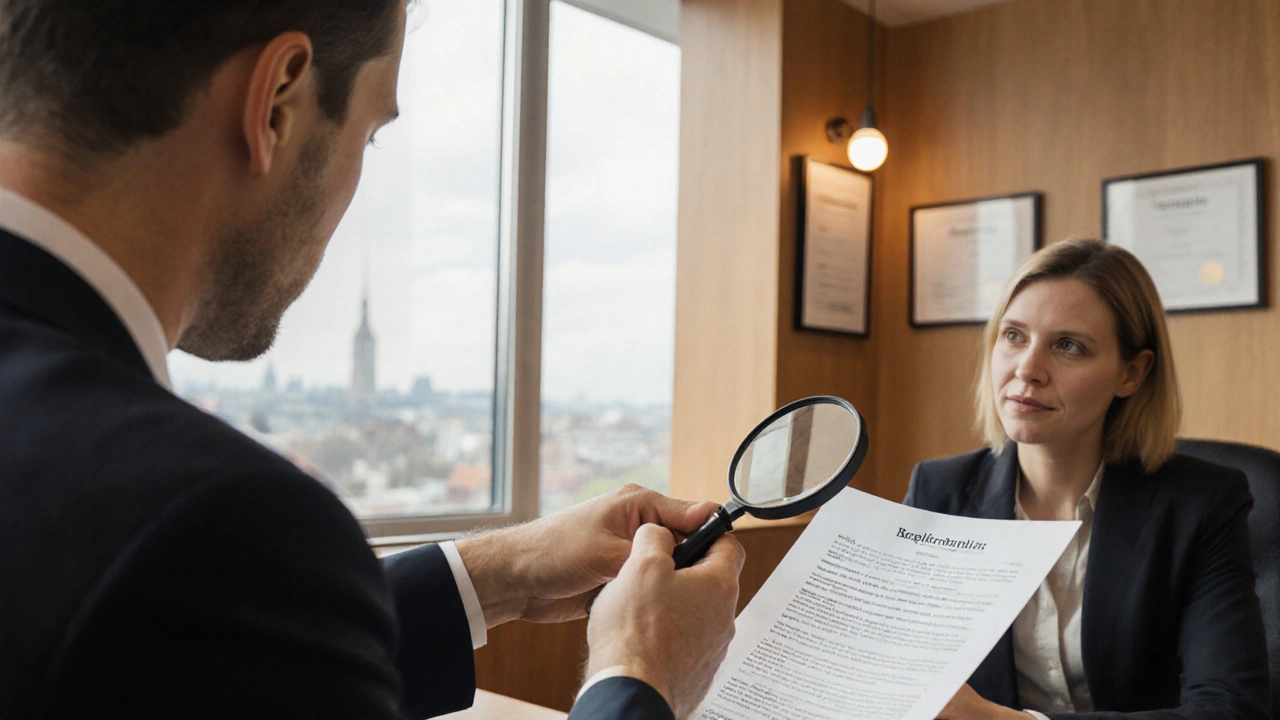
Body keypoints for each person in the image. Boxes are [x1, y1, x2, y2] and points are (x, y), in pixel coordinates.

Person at [0, 1, 744, 718]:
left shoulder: (151, 536)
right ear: (276, 103)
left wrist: (498, 576)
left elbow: (171, 655)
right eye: (371, 130)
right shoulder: (208, 518)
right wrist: (639, 673)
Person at [904, 238, 1269, 720]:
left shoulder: (1201, 504)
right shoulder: (937, 493)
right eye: (1013, 336)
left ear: (1132, 373)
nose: (1027, 370)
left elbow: (1231, 709)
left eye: (1068, 346)